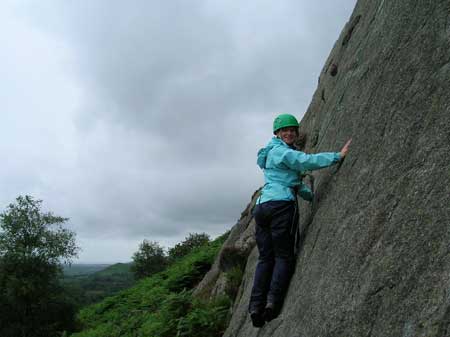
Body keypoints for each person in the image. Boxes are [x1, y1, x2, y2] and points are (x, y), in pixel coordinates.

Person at [249, 113, 351, 327]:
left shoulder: (270, 153)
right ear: (277, 133)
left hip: (262, 206)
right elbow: (306, 161)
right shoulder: (282, 152)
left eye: (292, 130)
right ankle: (271, 304)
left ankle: (254, 307)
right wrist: (337, 156)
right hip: (280, 207)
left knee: (265, 258)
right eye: (285, 130)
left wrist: (309, 196)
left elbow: (292, 182)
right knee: (283, 256)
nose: (289, 133)